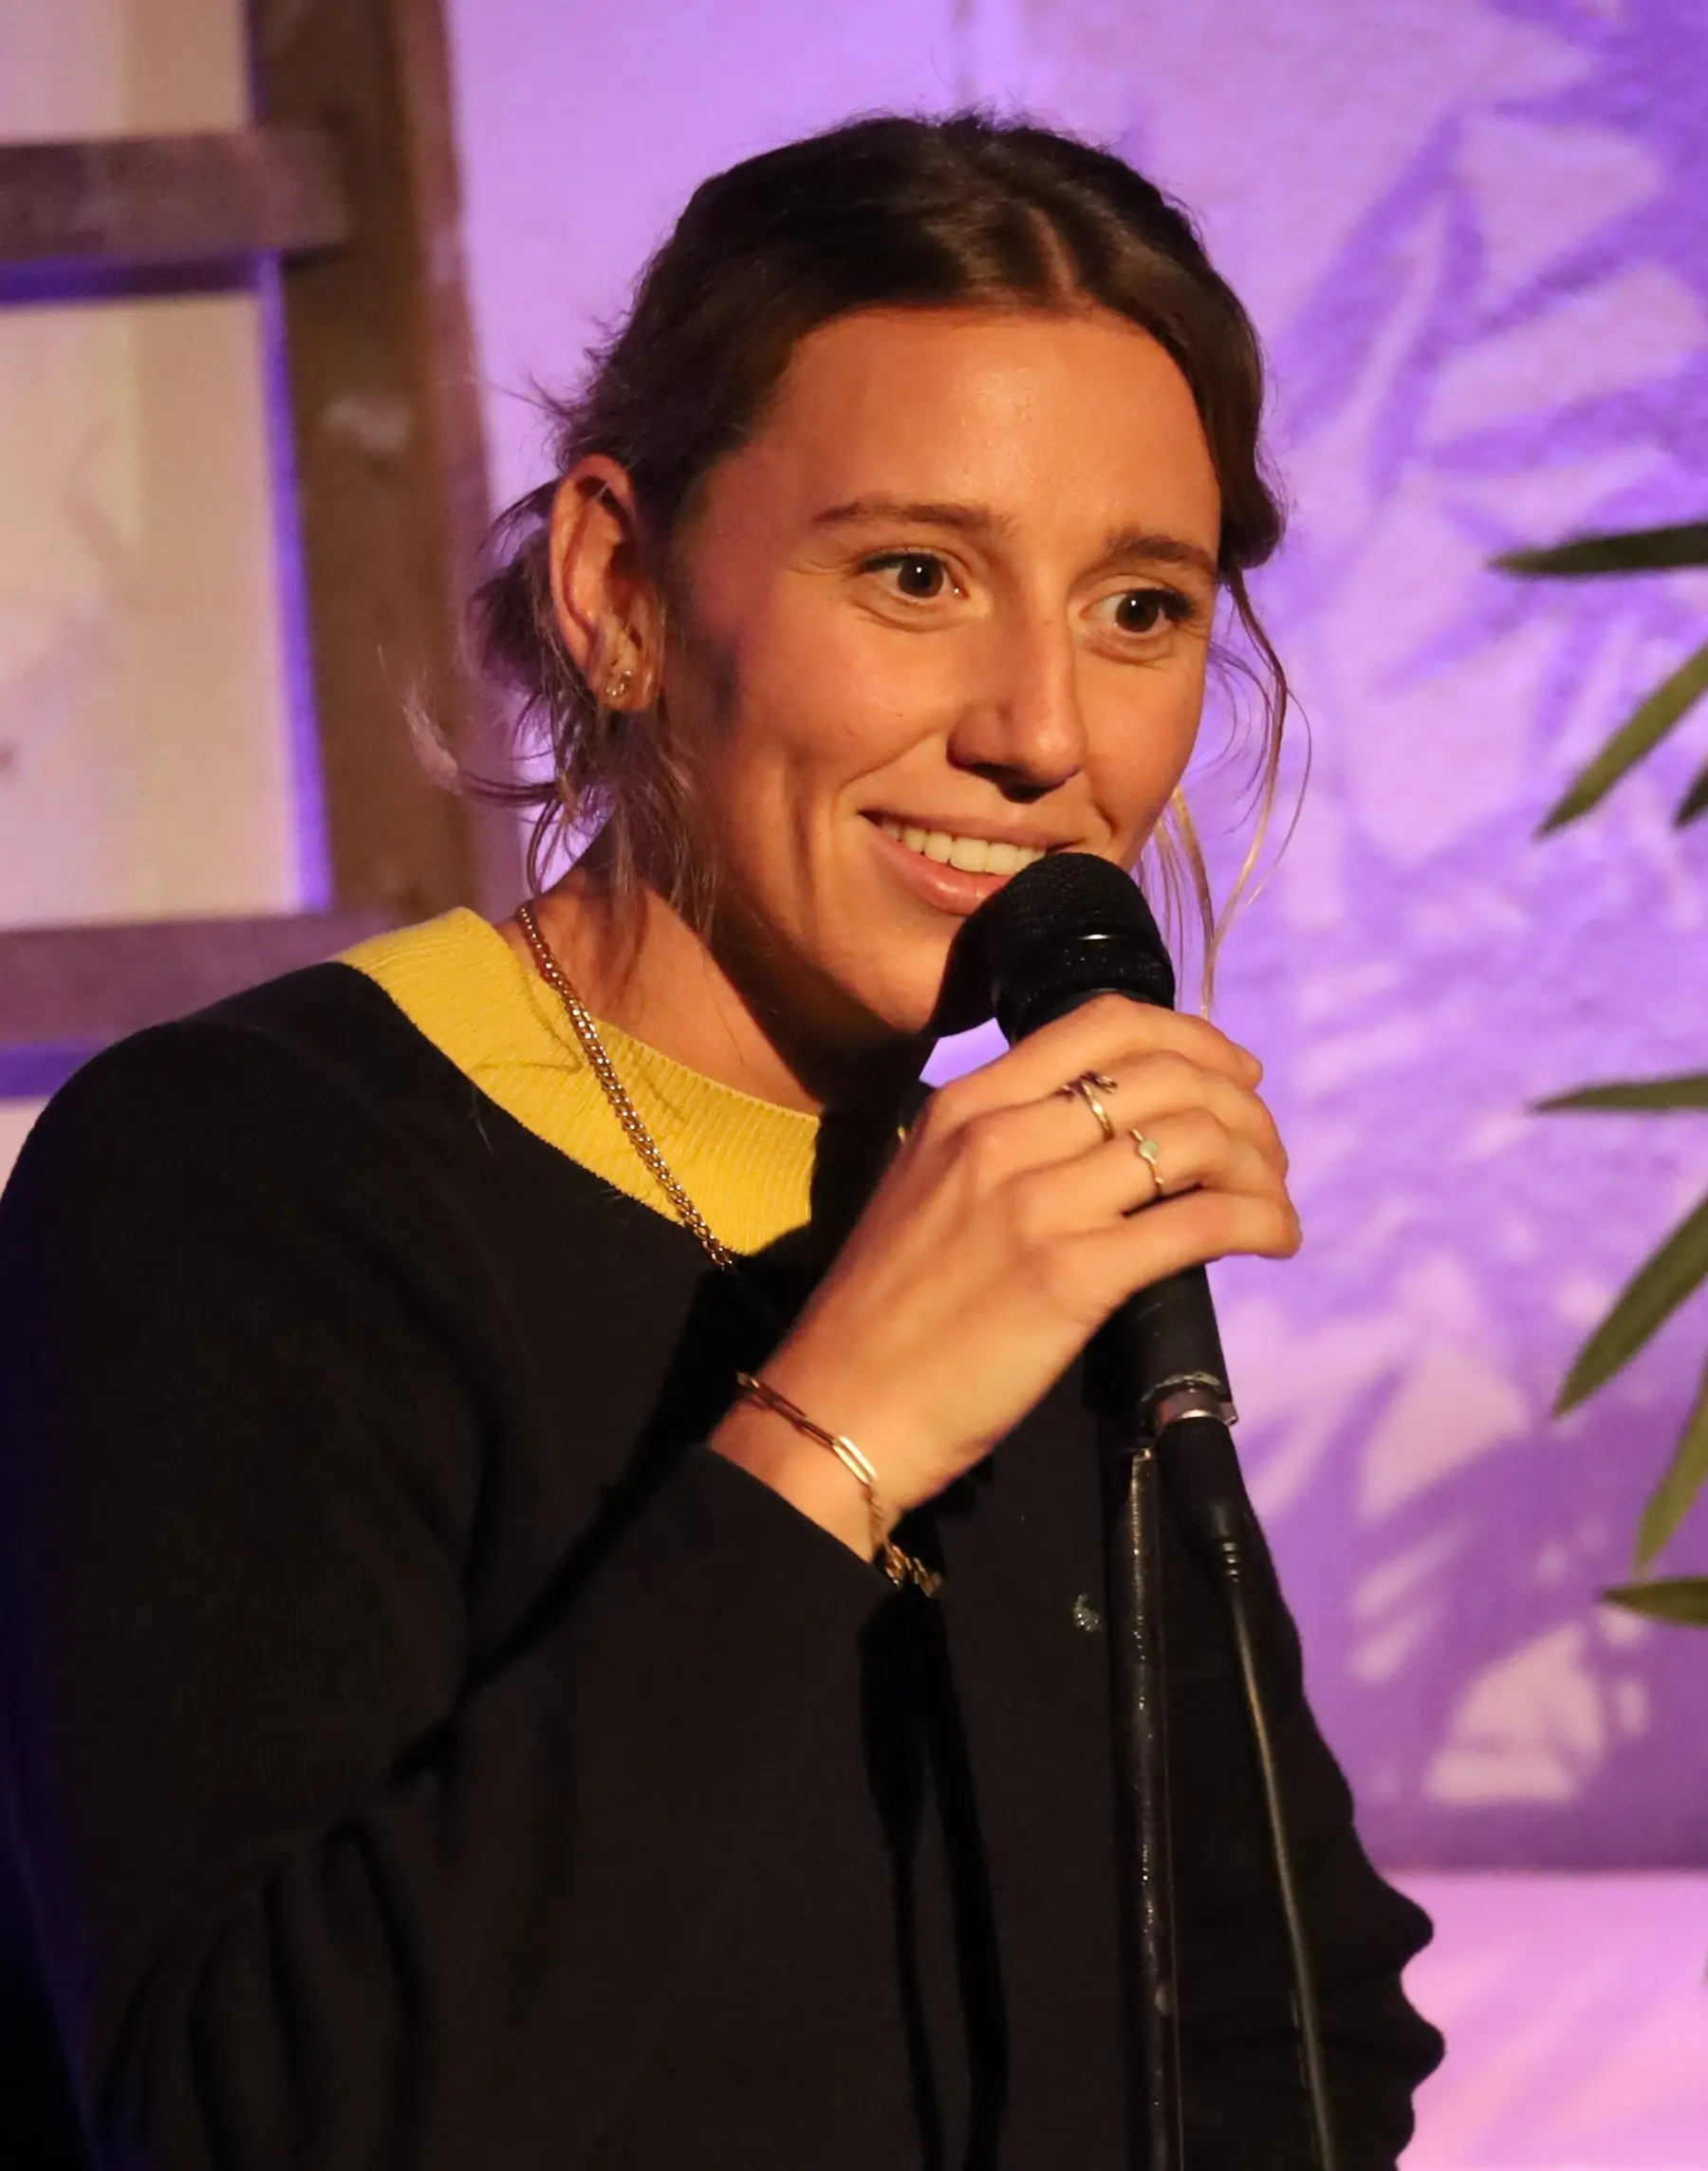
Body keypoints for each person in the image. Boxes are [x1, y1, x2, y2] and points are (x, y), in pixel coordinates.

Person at [0, 113, 1442, 2169]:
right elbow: (252, 2108)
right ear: (617, 587)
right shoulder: (235, 1176)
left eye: (1140, 606)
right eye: (917, 574)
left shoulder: (994, 1209)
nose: (1046, 727)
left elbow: (1282, 2014)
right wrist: (832, 1431)